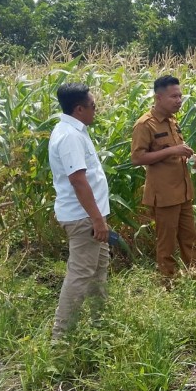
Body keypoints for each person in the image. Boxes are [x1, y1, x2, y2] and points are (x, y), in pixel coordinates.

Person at [48, 83, 111, 338]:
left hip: (91, 216)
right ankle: (61, 338)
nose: (96, 110)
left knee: (98, 270)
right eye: (93, 106)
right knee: (81, 274)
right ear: (79, 109)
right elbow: (78, 180)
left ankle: (100, 326)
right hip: (84, 218)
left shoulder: (72, 130)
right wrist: (97, 220)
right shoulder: (70, 137)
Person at [131, 75, 196, 278]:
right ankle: (167, 284)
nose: (179, 100)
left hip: (183, 192)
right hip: (164, 196)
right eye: (174, 96)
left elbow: (176, 153)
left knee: (190, 239)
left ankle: (195, 280)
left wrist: (192, 158)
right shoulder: (145, 124)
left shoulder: (172, 121)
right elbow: (137, 158)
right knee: (166, 244)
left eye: (180, 96)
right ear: (158, 98)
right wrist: (173, 151)